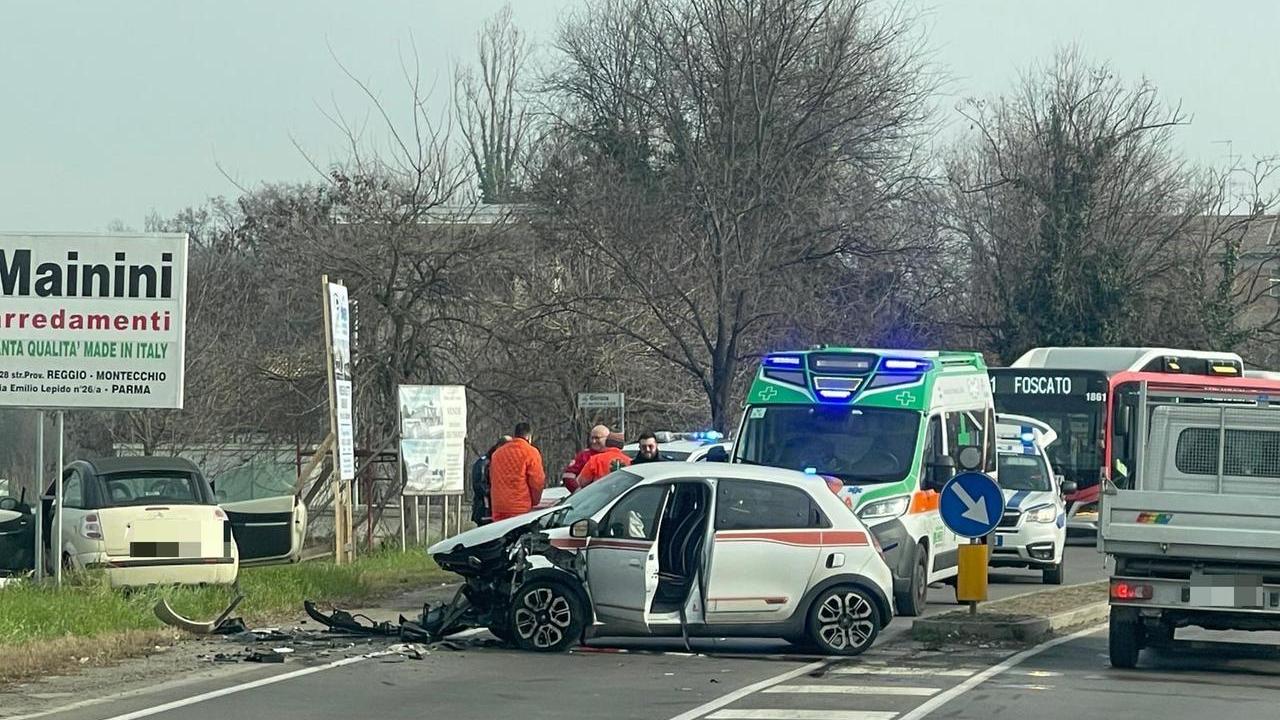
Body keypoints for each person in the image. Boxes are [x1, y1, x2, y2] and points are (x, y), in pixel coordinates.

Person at [488, 424, 545, 522]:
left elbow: (492, 478)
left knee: (500, 530)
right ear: (529, 437)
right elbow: (537, 481)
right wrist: (535, 501)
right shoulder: (531, 452)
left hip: (498, 507)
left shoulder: (497, 453)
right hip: (519, 508)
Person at [469, 435, 510, 526]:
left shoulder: (503, 462)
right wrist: (495, 492)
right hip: (485, 508)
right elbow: (479, 486)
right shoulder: (484, 463)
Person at [561, 425, 610, 492]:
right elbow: (568, 476)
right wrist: (579, 492)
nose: (593, 441)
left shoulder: (615, 455)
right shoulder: (584, 456)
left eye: (597, 438)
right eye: (592, 438)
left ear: (607, 438)